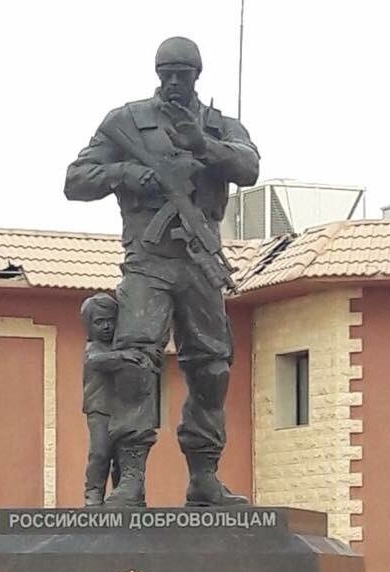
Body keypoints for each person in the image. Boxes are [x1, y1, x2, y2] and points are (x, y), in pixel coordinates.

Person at [66, 37, 260, 507]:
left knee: (211, 368)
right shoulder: (126, 122)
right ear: (157, 73)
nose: (174, 81)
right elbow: (76, 179)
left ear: (198, 74)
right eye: (166, 72)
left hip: (199, 259)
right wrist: (129, 174)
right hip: (148, 262)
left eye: (183, 73)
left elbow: (249, 167)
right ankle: (130, 478)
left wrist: (204, 145)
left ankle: (204, 476)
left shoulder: (220, 125)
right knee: (135, 363)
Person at [81, 293, 153, 506]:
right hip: (99, 409)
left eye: (110, 321)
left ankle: (124, 497)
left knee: (122, 457)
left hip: (122, 410)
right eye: (99, 322)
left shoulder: (121, 347)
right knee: (100, 452)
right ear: (89, 325)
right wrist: (123, 357)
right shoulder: (94, 348)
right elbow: (97, 361)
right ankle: (93, 494)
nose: (106, 326)